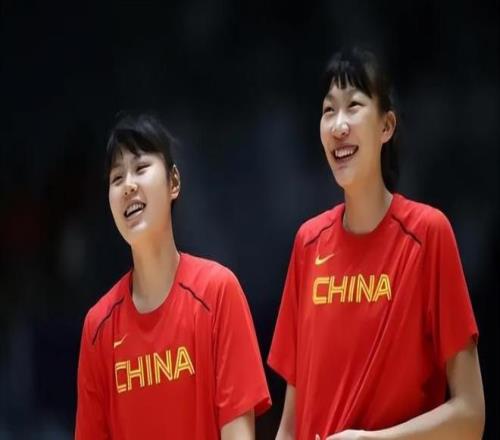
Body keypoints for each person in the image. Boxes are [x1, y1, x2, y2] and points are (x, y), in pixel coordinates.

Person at [268, 48, 485, 440]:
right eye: (328, 110)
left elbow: (471, 415)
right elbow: (290, 425)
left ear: (386, 126)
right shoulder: (308, 243)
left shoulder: (428, 234)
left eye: (353, 106)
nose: (338, 125)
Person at [75, 113, 271, 439]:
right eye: (117, 178)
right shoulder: (97, 328)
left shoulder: (218, 292)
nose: (128, 185)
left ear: (174, 182)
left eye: (140, 168)